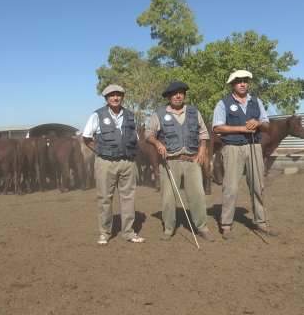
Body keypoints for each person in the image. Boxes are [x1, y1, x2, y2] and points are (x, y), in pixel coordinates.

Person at [212, 70, 279, 240]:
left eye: (245, 81)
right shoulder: (223, 103)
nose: (243, 84)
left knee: (258, 185)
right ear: (232, 84)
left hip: (254, 147)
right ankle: (226, 225)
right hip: (232, 148)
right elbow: (217, 128)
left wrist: (258, 123)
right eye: (239, 81)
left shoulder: (256, 102)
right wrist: (241, 128)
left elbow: (267, 125)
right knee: (231, 187)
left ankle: (261, 222)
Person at [145, 81, 215, 242]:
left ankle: (202, 227)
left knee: (198, 196)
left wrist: (202, 150)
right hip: (170, 162)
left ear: (184, 95)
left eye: (181, 93)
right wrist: (158, 143)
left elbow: (203, 133)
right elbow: (149, 134)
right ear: (169, 96)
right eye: (174, 93)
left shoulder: (193, 112)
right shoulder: (160, 113)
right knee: (168, 198)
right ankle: (169, 229)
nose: (178, 96)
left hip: (191, 161)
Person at [82, 84, 145, 245]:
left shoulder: (130, 115)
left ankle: (129, 232)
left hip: (127, 162)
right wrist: (101, 152)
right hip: (106, 163)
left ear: (123, 97)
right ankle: (105, 232)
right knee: (104, 198)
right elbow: (87, 137)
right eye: (112, 95)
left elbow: (136, 139)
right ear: (106, 98)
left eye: (118, 95)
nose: (115, 98)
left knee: (128, 198)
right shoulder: (97, 115)